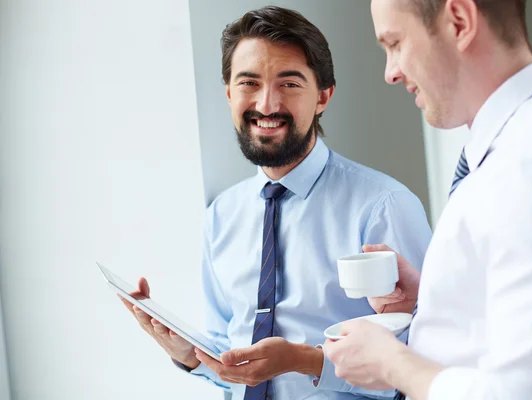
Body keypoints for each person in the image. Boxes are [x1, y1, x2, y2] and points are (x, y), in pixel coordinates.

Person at [120, 6, 432, 400]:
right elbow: (230, 353)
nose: (267, 105)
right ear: (229, 93)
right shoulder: (221, 216)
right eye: (249, 83)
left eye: (289, 84)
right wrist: (192, 356)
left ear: (323, 96)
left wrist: (308, 361)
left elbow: (423, 366)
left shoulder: (383, 206)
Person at [323, 0, 532, 399]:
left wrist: (392, 363)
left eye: (396, 43)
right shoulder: (518, 151)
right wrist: (437, 298)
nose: (391, 72)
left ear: (459, 21)